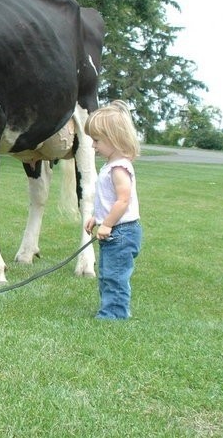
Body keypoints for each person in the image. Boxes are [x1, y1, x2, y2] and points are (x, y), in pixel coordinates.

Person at [84, 100, 142, 320]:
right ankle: (110, 308)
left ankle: (115, 314)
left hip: (122, 233)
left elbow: (122, 201)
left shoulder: (119, 168)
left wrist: (107, 224)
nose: (93, 146)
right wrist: (97, 218)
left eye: (97, 140)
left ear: (114, 138)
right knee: (107, 273)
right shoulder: (111, 165)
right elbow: (108, 200)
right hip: (115, 231)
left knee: (115, 275)